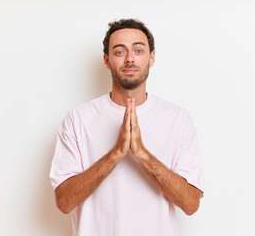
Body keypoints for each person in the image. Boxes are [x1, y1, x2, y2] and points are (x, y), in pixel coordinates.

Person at [49, 18, 204, 236]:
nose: (130, 59)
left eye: (138, 51)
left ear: (151, 58)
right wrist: (115, 154)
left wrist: (142, 154)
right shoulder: (78, 118)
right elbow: (64, 202)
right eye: (120, 52)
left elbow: (191, 204)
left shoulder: (178, 118)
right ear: (106, 59)